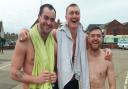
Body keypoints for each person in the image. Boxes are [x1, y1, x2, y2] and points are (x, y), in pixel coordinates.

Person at [18, 3, 112, 89]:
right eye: (71, 13)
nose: (74, 15)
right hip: (58, 81)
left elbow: (95, 44)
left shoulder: (84, 38)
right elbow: (41, 30)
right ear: (66, 17)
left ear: (80, 16)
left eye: (77, 13)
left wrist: (107, 50)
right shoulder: (58, 33)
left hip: (74, 81)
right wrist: (24, 30)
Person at [11, 4, 57, 89]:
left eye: (52, 19)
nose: (49, 22)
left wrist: (54, 75)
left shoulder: (54, 43)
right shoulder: (25, 40)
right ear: (39, 17)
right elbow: (14, 73)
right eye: (46, 18)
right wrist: (37, 79)